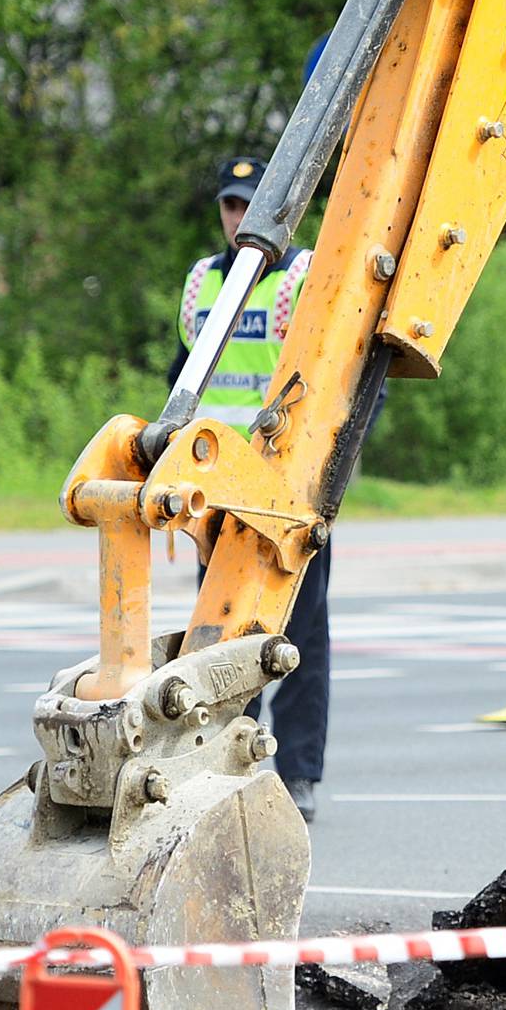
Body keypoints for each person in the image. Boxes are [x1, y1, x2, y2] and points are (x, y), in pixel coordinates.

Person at [169, 157, 328, 820]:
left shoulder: (301, 276)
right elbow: (184, 380)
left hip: (286, 487)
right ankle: (230, 757)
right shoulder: (204, 281)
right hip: (220, 491)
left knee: (301, 630)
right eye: (231, 206)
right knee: (223, 629)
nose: (239, 219)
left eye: (250, 205)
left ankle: (299, 773)